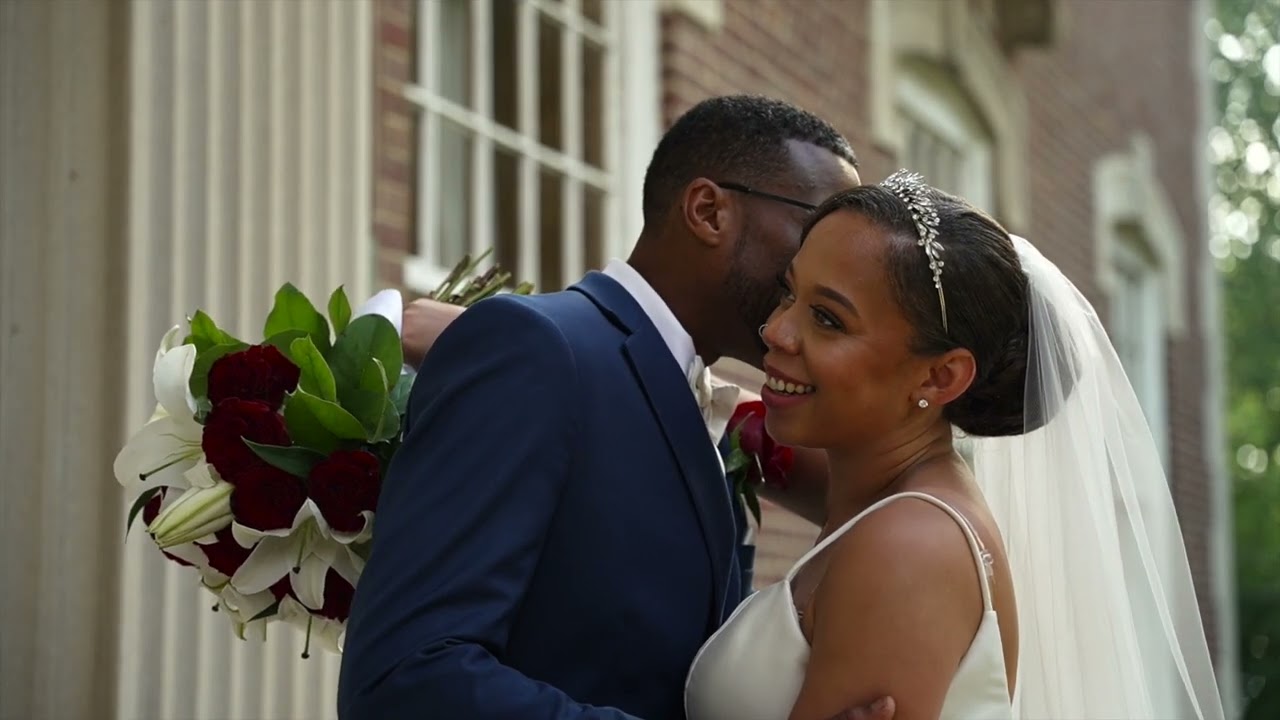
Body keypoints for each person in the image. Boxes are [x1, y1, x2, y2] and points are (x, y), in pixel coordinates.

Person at [336, 95, 890, 720]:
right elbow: (405, 678)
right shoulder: (535, 349)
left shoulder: (702, 406)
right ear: (709, 212)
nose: (826, 270)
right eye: (814, 233)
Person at [682, 172, 1226, 720]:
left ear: (939, 378)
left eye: (827, 318)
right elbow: (748, 442)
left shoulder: (910, 547)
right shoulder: (877, 489)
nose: (777, 331)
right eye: (789, 292)